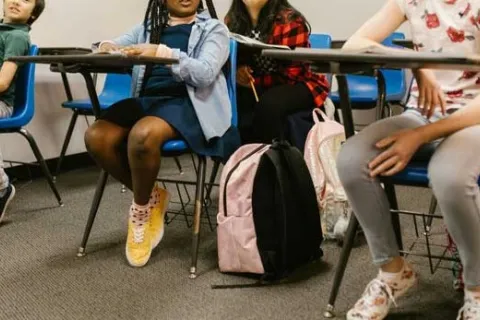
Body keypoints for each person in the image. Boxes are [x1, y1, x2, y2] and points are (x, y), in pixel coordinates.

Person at [338, 0, 480, 319]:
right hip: (422, 114)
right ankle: (393, 272)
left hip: (473, 120)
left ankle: (477, 289)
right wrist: (411, 60)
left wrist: (420, 136)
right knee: (351, 159)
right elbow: (356, 44)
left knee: (449, 175)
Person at [85, 0, 239, 268]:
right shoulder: (148, 27)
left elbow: (204, 74)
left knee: (142, 135)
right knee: (96, 136)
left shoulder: (213, 29)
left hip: (190, 104)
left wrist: (165, 53)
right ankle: (153, 195)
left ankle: (141, 210)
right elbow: (110, 45)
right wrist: (108, 47)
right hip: (149, 101)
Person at [225, 0, 329, 145]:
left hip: (300, 82)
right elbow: (232, 59)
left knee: (269, 104)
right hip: (259, 81)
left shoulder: (289, 21)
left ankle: (271, 160)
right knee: (232, 102)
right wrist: (240, 71)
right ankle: (241, 159)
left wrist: (255, 81)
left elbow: (294, 74)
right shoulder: (232, 21)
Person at [0, 0, 45, 225]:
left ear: (32, 15)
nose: (16, 1)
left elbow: (2, 82)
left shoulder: (16, 37)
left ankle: (1, 189)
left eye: (26, 0)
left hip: (3, 104)